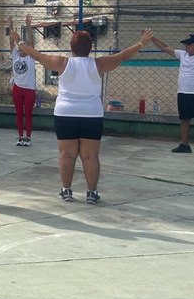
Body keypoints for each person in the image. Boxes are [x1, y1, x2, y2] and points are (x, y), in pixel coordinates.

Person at [19, 28, 153, 204]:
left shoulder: (62, 63)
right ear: (90, 47)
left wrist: (20, 43)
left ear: (71, 46)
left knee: (66, 155)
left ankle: (66, 191)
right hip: (91, 114)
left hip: (65, 113)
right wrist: (141, 43)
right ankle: (92, 193)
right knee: (90, 157)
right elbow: (122, 56)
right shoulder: (99, 64)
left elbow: (38, 56)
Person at [148, 33, 194, 153]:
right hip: (183, 93)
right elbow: (165, 47)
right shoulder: (182, 55)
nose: (186, 47)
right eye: (186, 45)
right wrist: (152, 37)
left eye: (189, 44)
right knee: (184, 119)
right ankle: (184, 145)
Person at [8, 15, 36, 147]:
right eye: (19, 47)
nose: (21, 49)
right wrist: (10, 25)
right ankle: (20, 137)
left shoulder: (30, 57)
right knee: (19, 113)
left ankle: (28, 138)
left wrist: (28, 25)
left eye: (23, 47)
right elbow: (11, 41)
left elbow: (31, 42)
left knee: (28, 114)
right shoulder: (15, 56)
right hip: (17, 88)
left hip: (29, 89)